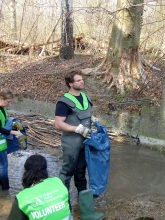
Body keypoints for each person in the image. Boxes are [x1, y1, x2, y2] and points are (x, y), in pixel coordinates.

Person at [55, 70, 104, 220]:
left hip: (85, 144)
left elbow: (88, 114)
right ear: (70, 83)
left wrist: (94, 120)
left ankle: (87, 212)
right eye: (78, 81)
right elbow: (58, 124)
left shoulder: (85, 97)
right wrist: (76, 128)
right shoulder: (63, 102)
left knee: (81, 174)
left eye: (82, 80)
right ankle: (65, 211)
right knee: (66, 175)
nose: (82, 82)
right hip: (71, 145)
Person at [8, 154, 71, 220]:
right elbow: (68, 208)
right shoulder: (58, 182)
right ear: (45, 171)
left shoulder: (22, 198)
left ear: (26, 173)